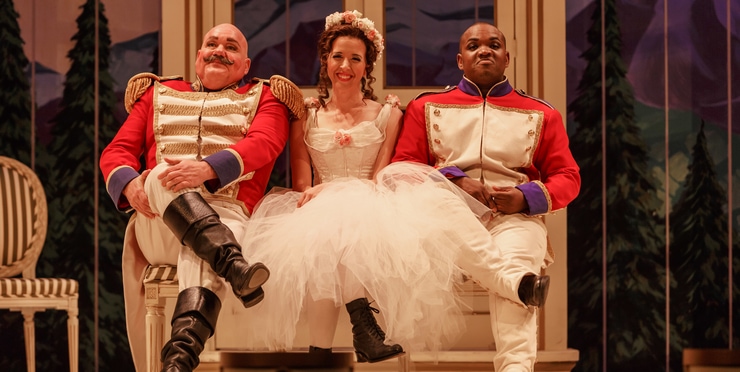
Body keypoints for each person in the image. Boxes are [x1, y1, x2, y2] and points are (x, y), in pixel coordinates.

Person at [231, 10, 494, 361]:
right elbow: (303, 185)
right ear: (325, 61)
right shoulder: (306, 117)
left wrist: (338, 192)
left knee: (345, 224)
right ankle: (356, 330)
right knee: (325, 238)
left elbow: (378, 179)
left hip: (374, 208)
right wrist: (325, 192)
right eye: (338, 56)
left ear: (366, 66)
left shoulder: (388, 113)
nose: (346, 65)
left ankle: (325, 349)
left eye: (356, 58)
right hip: (315, 210)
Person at [100, 23, 304, 371]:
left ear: (245, 65)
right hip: (158, 221)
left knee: (200, 252)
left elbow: (265, 143)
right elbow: (116, 151)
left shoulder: (265, 97)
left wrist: (207, 169)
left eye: (231, 47)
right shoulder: (156, 93)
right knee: (162, 174)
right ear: (198, 57)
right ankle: (234, 265)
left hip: (228, 215)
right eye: (212, 43)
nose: (219, 50)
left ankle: (178, 361)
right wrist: (131, 184)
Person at [392, 22, 581, 371]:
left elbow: (568, 178)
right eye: (474, 45)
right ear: (460, 60)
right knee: (514, 274)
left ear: (507, 58)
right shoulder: (426, 106)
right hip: (447, 216)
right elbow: (402, 166)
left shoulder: (542, 113)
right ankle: (519, 284)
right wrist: (454, 180)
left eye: (494, 45)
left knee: (520, 257)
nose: (484, 50)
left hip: (515, 219)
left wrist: (525, 198)